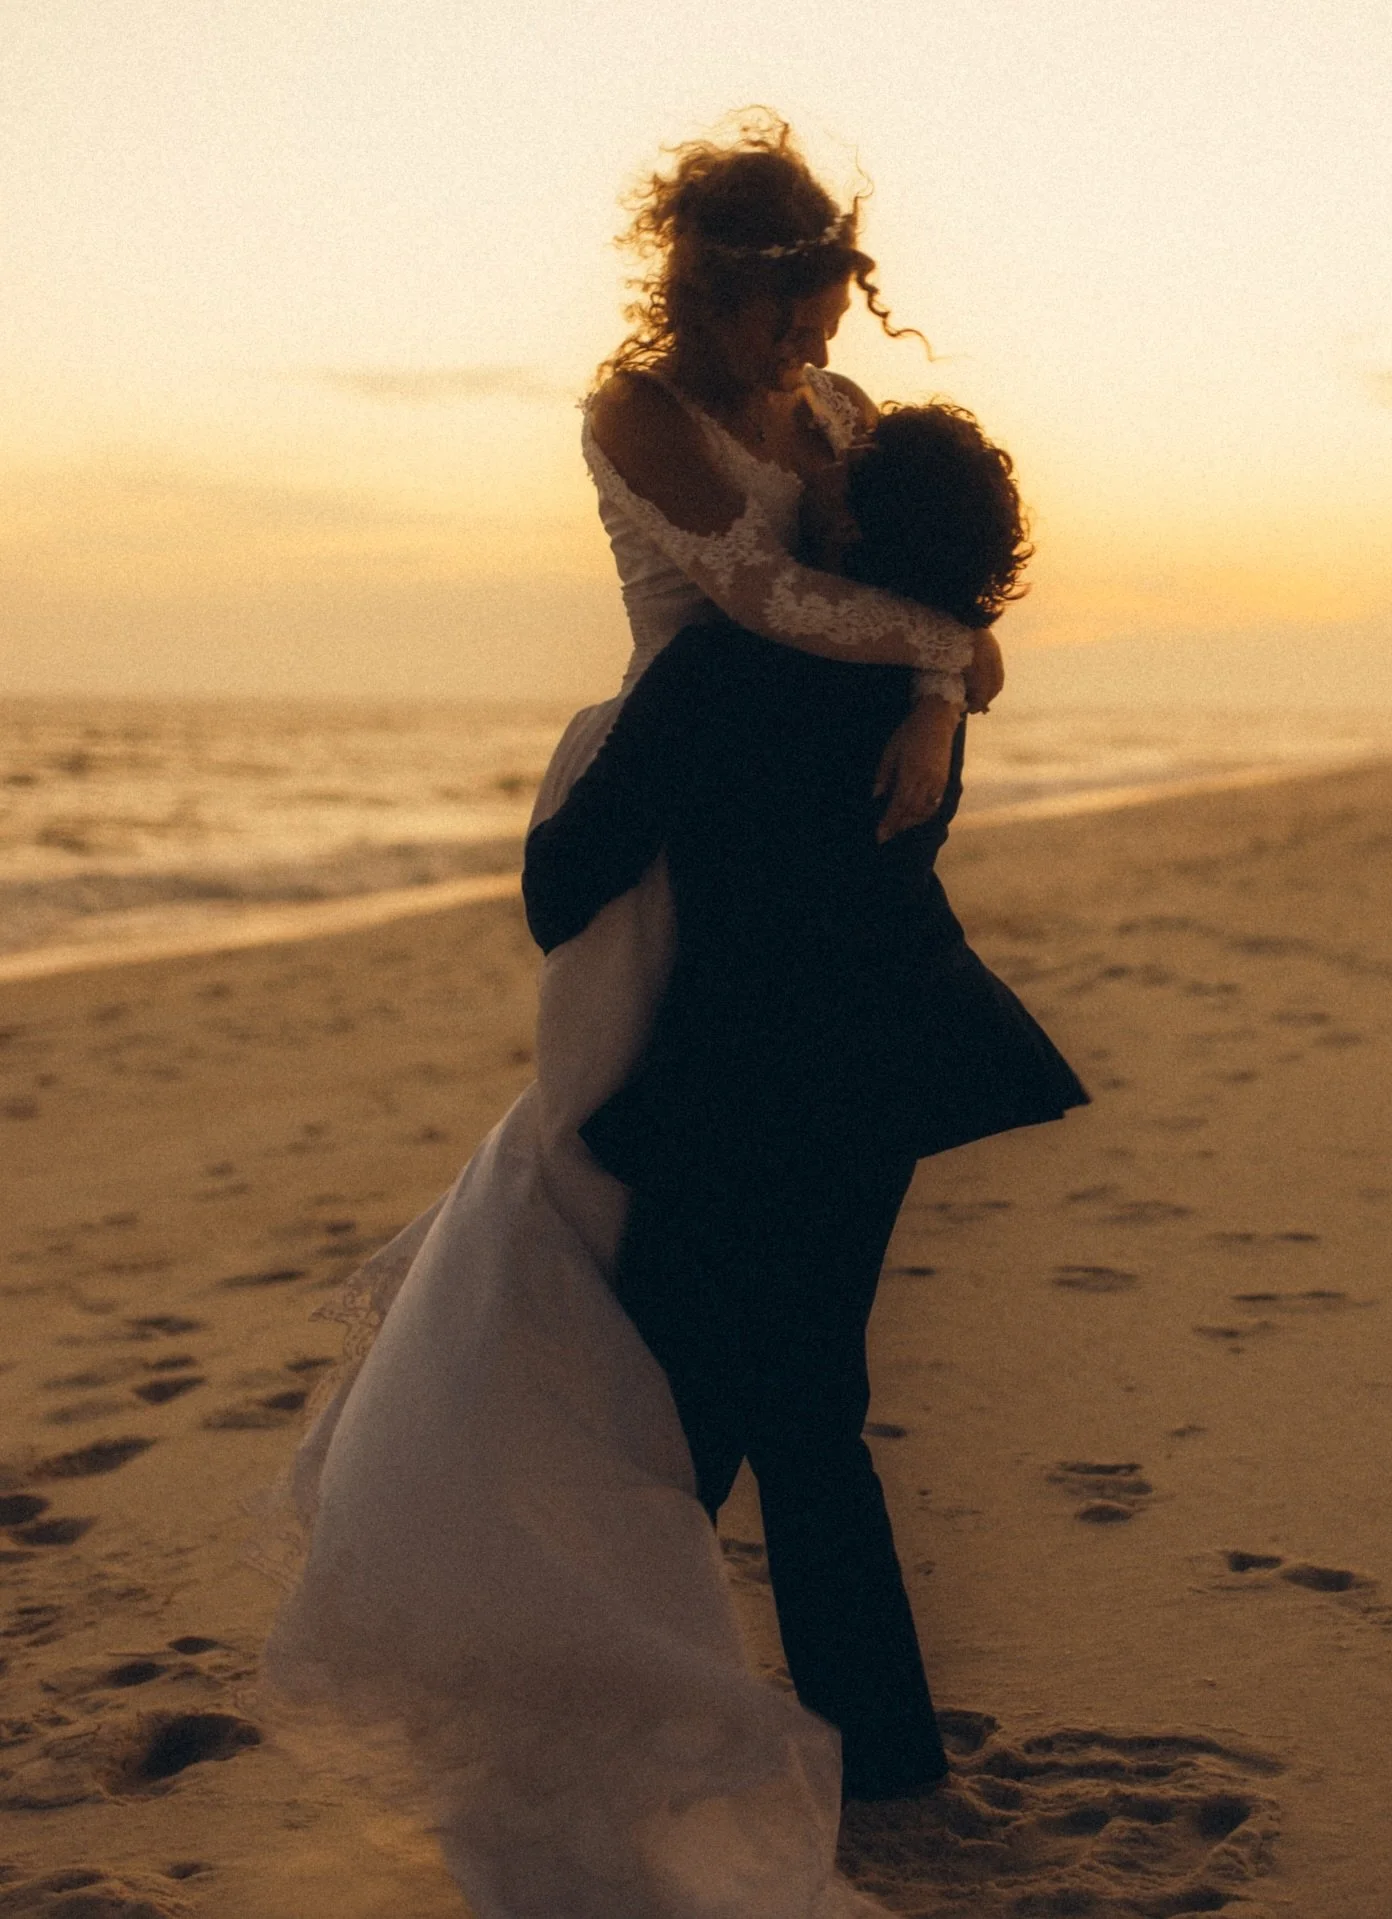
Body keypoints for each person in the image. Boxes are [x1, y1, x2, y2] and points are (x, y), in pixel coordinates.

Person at [259, 116, 1001, 1917]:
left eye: (828, 315)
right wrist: (925, 668)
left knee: (671, 1344)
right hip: (734, 832)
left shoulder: (827, 431)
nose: (809, 360)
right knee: (733, 1345)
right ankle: (811, 1723)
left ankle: (624, 1681)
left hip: (746, 842)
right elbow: (768, 595)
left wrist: (937, 678)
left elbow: (937, 601)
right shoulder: (639, 419)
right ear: (715, 289)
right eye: (782, 318)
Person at [523, 402, 1088, 1804]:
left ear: (847, 527)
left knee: (671, 1419)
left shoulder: (720, 669)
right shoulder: (920, 692)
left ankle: (616, 1735)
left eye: (834, 468)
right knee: (805, 1402)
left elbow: (559, 892)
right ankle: (882, 1754)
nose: (806, 465)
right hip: (886, 1058)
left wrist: (574, 772)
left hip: (738, 1087)